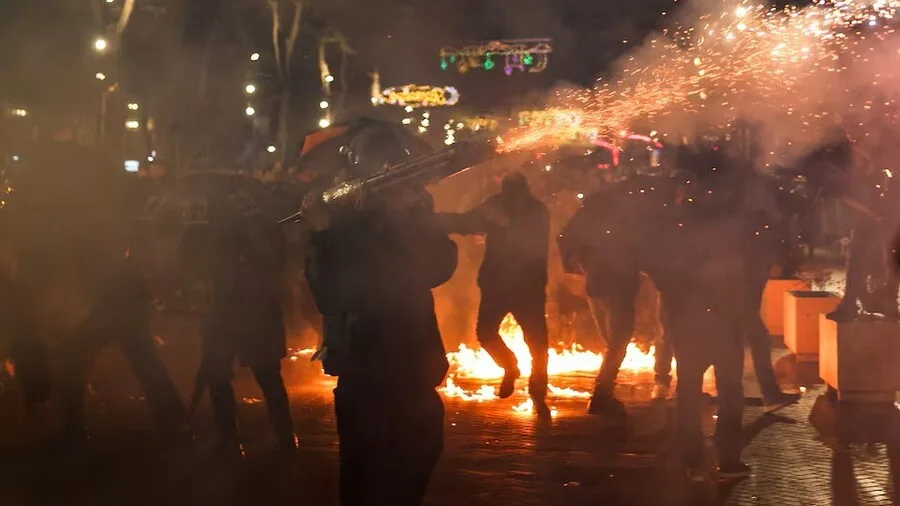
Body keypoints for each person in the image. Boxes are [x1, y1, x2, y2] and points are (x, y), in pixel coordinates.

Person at [303, 182, 457, 506]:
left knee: (417, 460)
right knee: (366, 479)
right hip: (365, 375)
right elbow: (331, 293)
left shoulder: (403, 223)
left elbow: (439, 266)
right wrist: (322, 235)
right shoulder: (342, 230)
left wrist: (417, 213)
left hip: (413, 371)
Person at [440, 171, 551, 414]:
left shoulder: (535, 212)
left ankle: (537, 389)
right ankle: (512, 368)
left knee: (536, 342)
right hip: (501, 284)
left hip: (524, 285)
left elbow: (529, 242)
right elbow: (469, 222)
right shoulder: (499, 206)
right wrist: (437, 220)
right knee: (491, 334)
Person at [195, 221, 296, 457]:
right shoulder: (252, 215)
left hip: (253, 315)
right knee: (225, 377)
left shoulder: (253, 226)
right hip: (238, 315)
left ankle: (281, 437)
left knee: (264, 378)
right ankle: (235, 438)